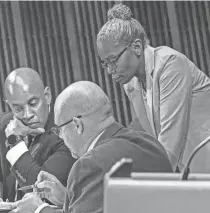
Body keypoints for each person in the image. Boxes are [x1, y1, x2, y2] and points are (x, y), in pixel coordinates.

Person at [10, 81, 172, 213]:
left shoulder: (89, 165)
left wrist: (39, 209)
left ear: (77, 125)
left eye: (60, 130)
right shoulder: (150, 143)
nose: (60, 136)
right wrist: (67, 198)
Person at [96, 3, 210, 172]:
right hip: (190, 170)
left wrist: (149, 185)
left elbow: (170, 140)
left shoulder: (170, 64)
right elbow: (151, 138)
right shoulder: (131, 83)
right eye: (105, 63)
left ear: (136, 47)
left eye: (113, 60)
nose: (110, 70)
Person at [0, 67, 75, 203]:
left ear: (47, 96)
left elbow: (41, 190)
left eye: (33, 104)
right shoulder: (4, 125)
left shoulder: (65, 131)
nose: (27, 114)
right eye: (18, 109)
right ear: (9, 106)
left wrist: (14, 143)